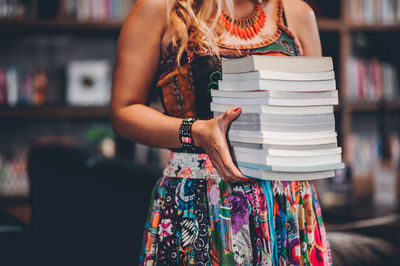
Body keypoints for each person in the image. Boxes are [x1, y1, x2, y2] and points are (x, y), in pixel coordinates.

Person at [110, 0, 331, 264]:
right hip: (198, 203)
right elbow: (124, 112)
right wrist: (195, 131)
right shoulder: (160, 8)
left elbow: (315, 113)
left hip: (287, 207)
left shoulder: (298, 13)